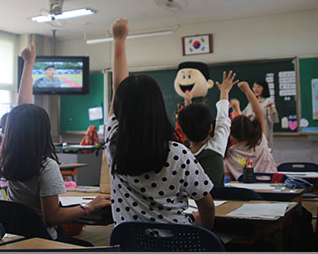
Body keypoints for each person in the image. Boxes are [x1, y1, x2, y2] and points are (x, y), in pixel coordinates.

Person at [105, 18, 215, 228]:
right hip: (179, 245)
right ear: (158, 108)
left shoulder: (113, 146)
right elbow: (207, 205)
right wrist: (203, 233)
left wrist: (118, 40)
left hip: (130, 246)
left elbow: (117, 88)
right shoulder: (178, 153)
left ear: (120, 109)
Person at [0, 43, 111, 244]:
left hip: (16, 238)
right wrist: (89, 207)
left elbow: (20, 113)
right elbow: (52, 217)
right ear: (43, 132)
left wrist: (28, 63)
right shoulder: (44, 166)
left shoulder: (8, 158)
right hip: (43, 240)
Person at [177, 71, 237, 187]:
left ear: (183, 130)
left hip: (190, 204)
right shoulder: (216, 148)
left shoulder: (181, 154)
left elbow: (189, 122)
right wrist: (224, 91)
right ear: (211, 127)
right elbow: (222, 118)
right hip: (217, 203)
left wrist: (188, 104)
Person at [224, 81, 277, 180]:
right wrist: (247, 90)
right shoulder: (260, 142)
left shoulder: (229, 153)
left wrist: (224, 92)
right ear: (252, 129)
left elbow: (228, 179)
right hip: (269, 191)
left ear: (231, 135)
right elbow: (259, 114)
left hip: (244, 194)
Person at [232, 78, 279, 149]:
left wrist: (271, 109)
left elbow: (274, 120)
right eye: (254, 87)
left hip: (264, 135)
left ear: (264, 88)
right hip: (250, 136)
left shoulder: (268, 101)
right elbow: (243, 117)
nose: (255, 89)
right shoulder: (251, 103)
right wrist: (235, 108)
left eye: (258, 87)